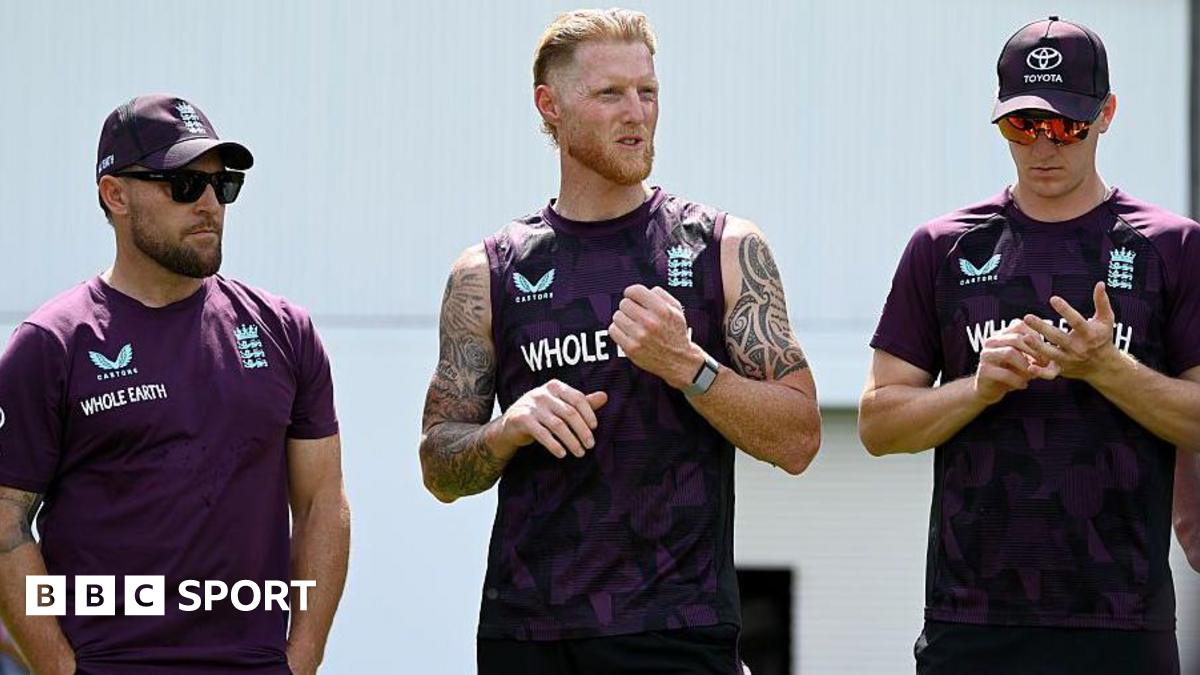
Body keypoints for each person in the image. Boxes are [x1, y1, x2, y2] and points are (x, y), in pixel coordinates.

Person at [418, 8, 820, 675]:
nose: (637, 112)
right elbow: (438, 463)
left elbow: (801, 436)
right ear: (550, 106)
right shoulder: (488, 272)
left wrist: (690, 366)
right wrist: (507, 429)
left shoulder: (722, 247)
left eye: (649, 91)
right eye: (610, 94)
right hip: (528, 633)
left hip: (676, 631)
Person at [859, 16, 1200, 674]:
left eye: (1067, 124)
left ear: (1107, 114)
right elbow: (876, 423)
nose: (1046, 146)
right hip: (971, 624)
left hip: (1123, 624)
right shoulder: (943, 248)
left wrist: (1107, 368)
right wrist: (977, 388)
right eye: (1023, 125)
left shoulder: (1172, 248)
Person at [0, 94, 350, 674]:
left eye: (223, 185)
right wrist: (61, 669)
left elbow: (320, 502)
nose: (210, 203)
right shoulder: (51, 344)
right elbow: (6, 523)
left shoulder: (286, 332)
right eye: (184, 184)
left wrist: (302, 656)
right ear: (116, 195)